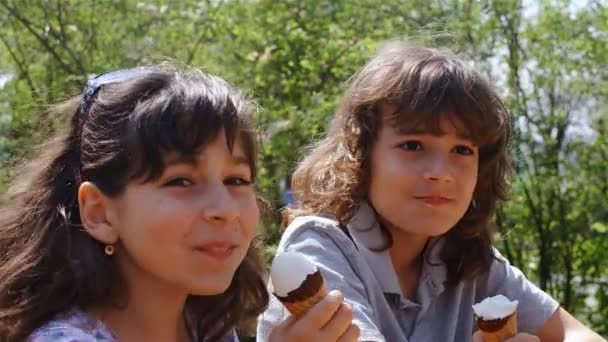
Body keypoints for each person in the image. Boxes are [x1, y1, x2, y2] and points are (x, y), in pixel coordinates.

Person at [257, 42, 606, 341]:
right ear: (362, 155)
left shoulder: (471, 262)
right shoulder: (320, 248)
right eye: (412, 145)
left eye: (463, 150)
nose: (441, 173)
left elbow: (576, 334)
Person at [0, 66, 357, 342]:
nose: (225, 209)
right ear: (99, 212)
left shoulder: (208, 328)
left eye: (236, 180)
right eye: (181, 181)